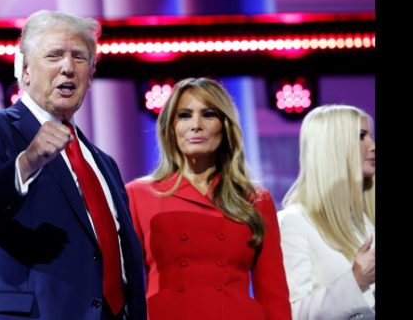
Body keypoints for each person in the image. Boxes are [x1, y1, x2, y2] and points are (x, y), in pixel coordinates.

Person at [0, 10, 147, 320]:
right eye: (54, 56)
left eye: (79, 58)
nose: (68, 68)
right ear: (25, 70)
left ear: (91, 74)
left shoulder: (104, 164)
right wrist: (27, 162)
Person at [125, 77, 291, 320]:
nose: (196, 125)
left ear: (225, 126)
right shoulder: (138, 195)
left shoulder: (255, 200)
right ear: (170, 128)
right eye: (184, 115)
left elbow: (274, 296)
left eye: (208, 114)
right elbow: (121, 283)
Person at [278, 104, 375, 320]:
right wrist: (356, 281)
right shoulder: (293, 223)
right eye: (361, 136)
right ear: (333, 146)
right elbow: (293, 314)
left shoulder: (368, 219)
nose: (372, 145)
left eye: (369, 135)